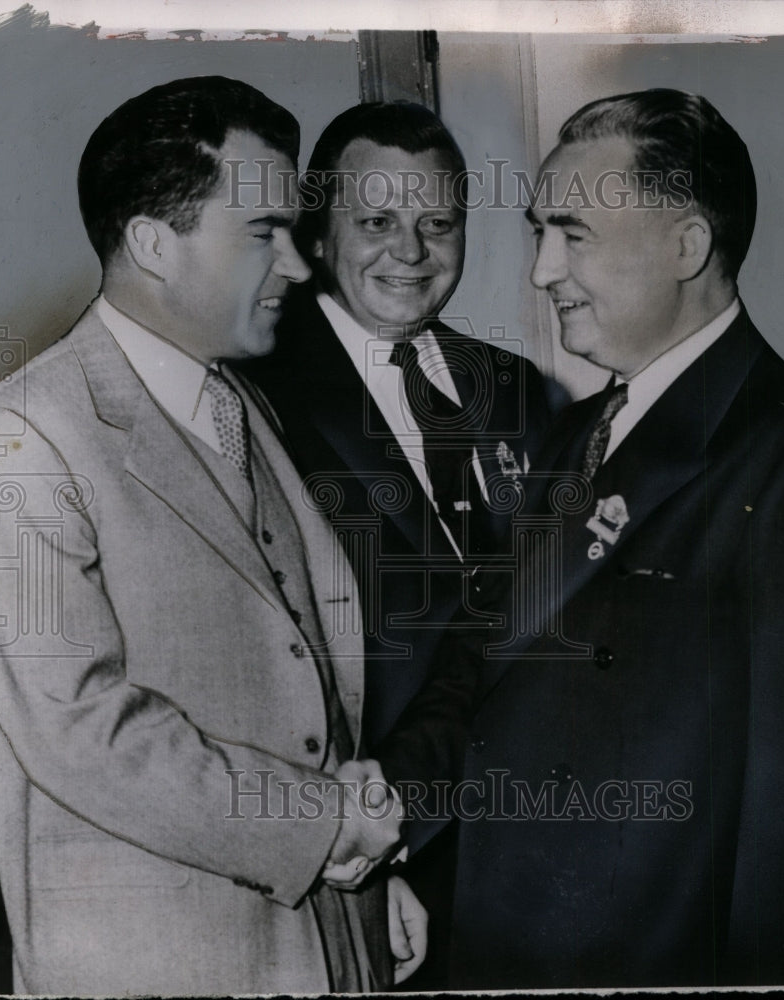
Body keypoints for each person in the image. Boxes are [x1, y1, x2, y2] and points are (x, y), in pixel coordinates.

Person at [378, 88, 784, 988]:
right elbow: (481, 668)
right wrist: (384, 818)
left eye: (573, 236)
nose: (542, 271)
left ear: (687, 246)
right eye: (540, 234)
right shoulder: (573, 435)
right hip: (499, 944)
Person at [0, 75, 424, 996]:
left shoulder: (239, 401)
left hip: (325, 934)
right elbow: (81, 728)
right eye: (263, 233)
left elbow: (302, 683)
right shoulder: (22, 435)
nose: (298, 265)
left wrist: (369, 875)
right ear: (153, 243)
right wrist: (326, 829)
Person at [240, 101, 553, 987]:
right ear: (319, 232)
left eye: (437, 224)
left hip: (528, 828)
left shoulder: (513, 386)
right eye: (377, 223)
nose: (411, 253)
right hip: (367, 852)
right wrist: (374, 849)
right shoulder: (257, 390)